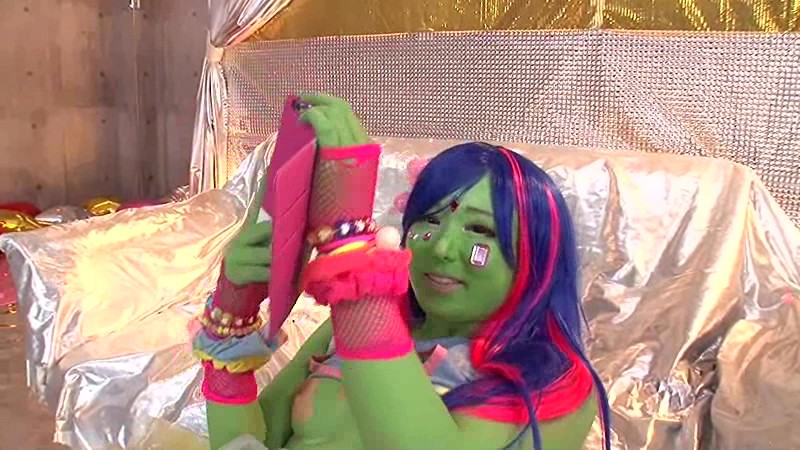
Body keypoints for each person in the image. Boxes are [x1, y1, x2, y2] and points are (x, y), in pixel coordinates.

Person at [191, 94, 611, 450]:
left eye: (481, 230)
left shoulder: (554, 382)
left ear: (537, 257)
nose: (442, 248)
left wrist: (347, 248)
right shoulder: (345, 330)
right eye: (429, 221)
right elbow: (251, 442)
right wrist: (234, 313)